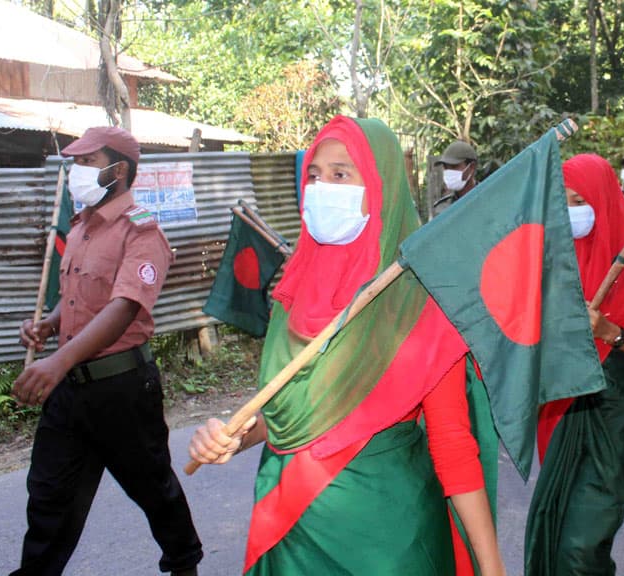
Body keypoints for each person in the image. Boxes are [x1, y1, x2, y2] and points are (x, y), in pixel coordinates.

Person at [188, 116, 504, 575]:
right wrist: (231, 438)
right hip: (290, 532)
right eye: (314, 175)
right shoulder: (292, 295)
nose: (321, 187)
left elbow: (453, 447)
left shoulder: (419, 304)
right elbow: (282, 417)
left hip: (388, 543)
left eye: (341, 174)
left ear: (381, 186)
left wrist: (491, 567)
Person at [11, 127, 202, 576]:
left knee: (154, 488)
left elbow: (124, 306)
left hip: (123, 389)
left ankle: (184, 565)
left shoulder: (142, 231)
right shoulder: (80, 228)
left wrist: (58, 360)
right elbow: (78, 295)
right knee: (48, 496)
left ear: (118, 170)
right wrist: (50, 323)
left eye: (87, 162)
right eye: (75, 162)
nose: (76, 171)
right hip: (71, 390)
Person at [525, 153, 624, 575]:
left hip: (613, 410)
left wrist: (610, 332)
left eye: (578, 200)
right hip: (560, 408)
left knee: (580, 547)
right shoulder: (548, 262)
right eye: (562, 201)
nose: (570, 211)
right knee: (552, 525)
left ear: (602, 200)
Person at [432, 140, 479, 217]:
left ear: (471, 167)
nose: (449, 171)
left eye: (454, 166)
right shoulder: (441, 208)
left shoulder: (489, 199)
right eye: (445, 167)